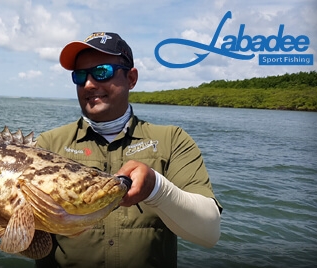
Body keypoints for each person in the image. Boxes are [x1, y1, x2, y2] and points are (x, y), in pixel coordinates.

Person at [34, 32, 222, 267]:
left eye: (102, 72)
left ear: (131, 78)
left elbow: (209, 232)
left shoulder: (173, 140)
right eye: (80, 75)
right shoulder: (48, 145)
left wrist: (156, 189)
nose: (89, 84)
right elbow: (29, 242)